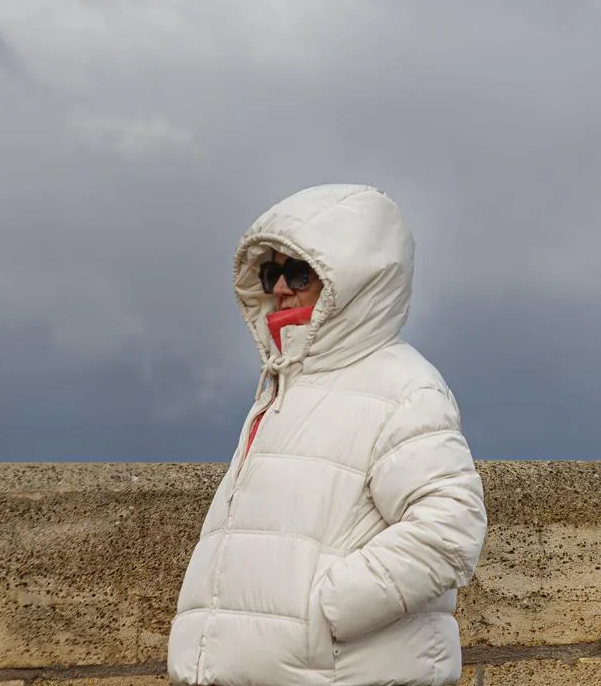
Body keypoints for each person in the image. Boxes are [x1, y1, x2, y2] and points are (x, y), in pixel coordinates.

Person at [167, 183, 488, 686]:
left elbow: (449, 531)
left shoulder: (402, 384)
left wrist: (324, 609)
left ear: (357, 281)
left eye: (299, 273)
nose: (279, 289)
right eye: (271, 272)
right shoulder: (283, 384)